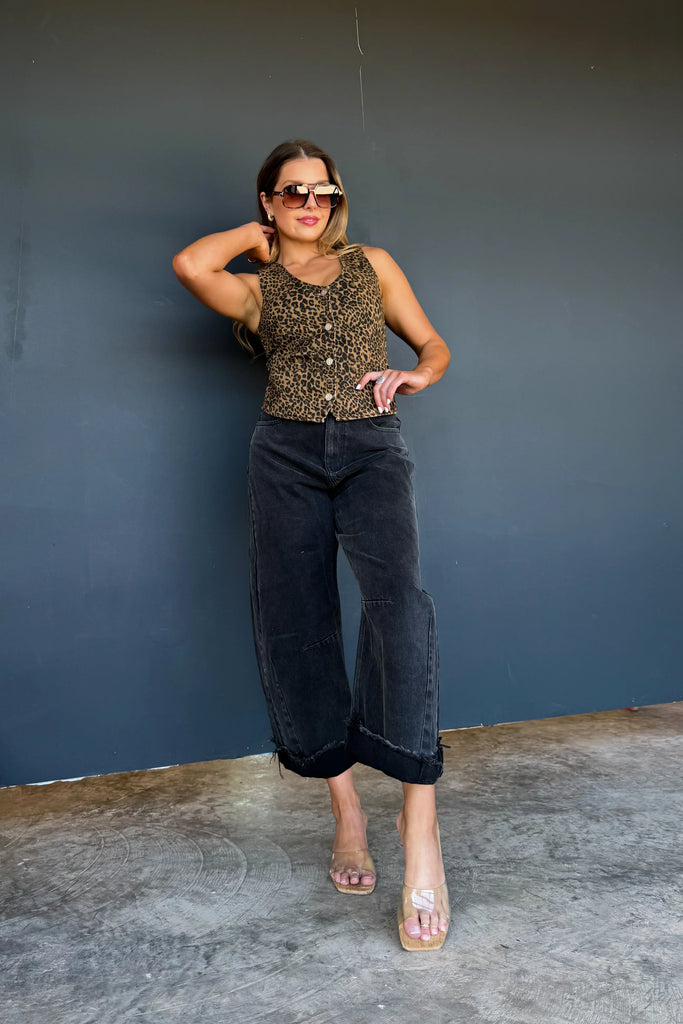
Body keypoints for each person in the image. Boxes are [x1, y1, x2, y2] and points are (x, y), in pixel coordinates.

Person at [173, 140, 451, 950]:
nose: (309, 203)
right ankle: (346, 813)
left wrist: (416, 375)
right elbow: (191, 264)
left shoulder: (372, 265)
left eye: (322, 191)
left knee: (400, 611)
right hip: (284, 454)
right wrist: (253, 238)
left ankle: (420, 826)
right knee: (298, 619)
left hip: (369, 447)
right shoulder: (254, 289)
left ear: (337, 199)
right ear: (268, 201)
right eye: (291, 191)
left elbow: (433, 347)